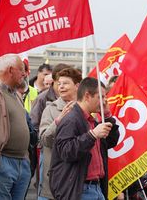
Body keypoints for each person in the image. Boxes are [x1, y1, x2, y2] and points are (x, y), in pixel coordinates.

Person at [49, 77, 119, 200]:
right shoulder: (71, 120)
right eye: (100, 97)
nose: (104, 101)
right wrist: (91, 135)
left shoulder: (91, 121)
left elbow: (110, 142)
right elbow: (66, 152)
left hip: (95, 188)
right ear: (87, 96)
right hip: (80, 189)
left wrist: (107, 117)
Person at [0, 54, 31, 200]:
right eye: (21, 70)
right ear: (11, 70)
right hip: (2, 161)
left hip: (22, 162)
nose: (24, 74)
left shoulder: (15, 94)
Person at [38, 68, 82, 200]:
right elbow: (44, 140)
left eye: (65, 83)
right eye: (59, 83)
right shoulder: (50, 109)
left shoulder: (87, 108)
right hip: (57, 177)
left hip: (80, 178)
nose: (61, 87)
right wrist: (59, 120)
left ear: (77, 86)